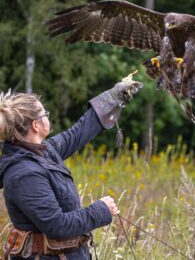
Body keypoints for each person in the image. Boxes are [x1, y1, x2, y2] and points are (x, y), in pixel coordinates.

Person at [0, 77, 143, 260]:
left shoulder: (44, 151)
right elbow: (57, 225)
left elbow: (78, 132)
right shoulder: (24, 173)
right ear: (36, 125)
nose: (47, 117)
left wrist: (113, 97)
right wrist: (100, 210)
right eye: (45, 114)